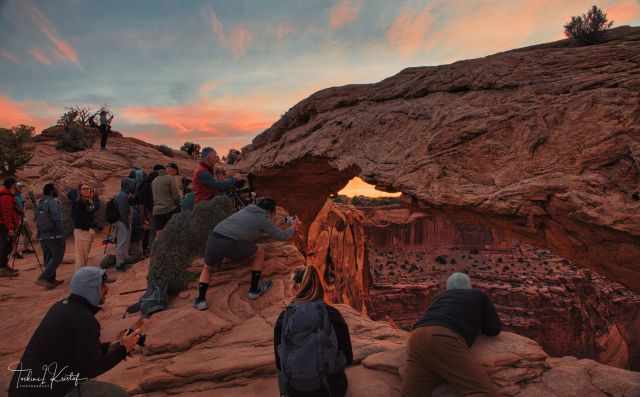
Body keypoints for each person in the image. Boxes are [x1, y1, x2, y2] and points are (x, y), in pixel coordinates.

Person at [7, 266, 143, 397]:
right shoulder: (83, 319)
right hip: (46, 391)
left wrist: (114, 346)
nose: (107, 289)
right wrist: (123, 349)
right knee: (117, 394)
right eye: (102, 286)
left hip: (24, 389)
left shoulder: (62, 307)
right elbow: (92, 368)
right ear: (91, 289)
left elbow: (80, 352)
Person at [401, 272, 502, 397]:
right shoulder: (478, 295)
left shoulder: (440, 297)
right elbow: (493, 329)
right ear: (469, 286)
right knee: (482, 392)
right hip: (444, 337)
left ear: (448, 288)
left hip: (416, 337)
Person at [193, 197, 300, 310]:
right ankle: (254, 290)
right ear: (271, 211)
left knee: (207, 268)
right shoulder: (263, 219)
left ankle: (200, 300)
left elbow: (249, 228)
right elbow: (281, 236)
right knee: (259, 252)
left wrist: (283, 221)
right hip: (232, 243)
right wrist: (294, 227)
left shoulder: (246, 210)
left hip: (215, 237)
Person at [274, 266, 353, 397]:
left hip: (295, 390)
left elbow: (279, 363)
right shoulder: (332, 315)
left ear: (295, 288)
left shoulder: (284, 317)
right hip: (328, 389)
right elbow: (348, 357)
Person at [35, 183, 65, 289]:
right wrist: (62, 232)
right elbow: (57, 217)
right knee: (58, 257)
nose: (57, 191)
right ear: (52, 191)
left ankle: (50, 280)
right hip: (54, 234)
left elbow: (37, 219)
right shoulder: (52, 202)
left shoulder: (40, 202)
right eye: (56, 189)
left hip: (43, 235)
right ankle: (43, 277)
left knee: (48, 257)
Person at [68, 183, 101, 271]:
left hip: (86, 231)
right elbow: (91, 209)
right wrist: (96, 199)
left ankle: (81, 277)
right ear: (80, 191)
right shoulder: (79, 202)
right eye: (84, 188)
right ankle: (79, 279)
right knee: (81, 258)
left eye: (89, 188)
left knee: (84, 257)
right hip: (81, 231)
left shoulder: (87, 201)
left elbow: (92, 210)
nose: (87, 190)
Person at [114, 178, 136, 271]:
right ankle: (119, 264)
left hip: (123, 221)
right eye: (132, 185)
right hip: (122, 222)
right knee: (122, 243)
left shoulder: (123, 195)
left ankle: (124, 259)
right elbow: (123, 211)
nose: (133, 187)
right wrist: (126, 223)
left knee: (124, 242)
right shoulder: (122, 196)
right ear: (127, 186)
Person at [151, 164, 181, 233]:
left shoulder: (154, 181)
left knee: (159, 233)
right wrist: (178, 203)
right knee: (171, 232)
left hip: (156, 210)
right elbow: (175, 196)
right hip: (169, 209)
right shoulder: (170, 178)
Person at [0, 177, 19, 277]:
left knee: (7, 246)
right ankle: (2, 268)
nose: (16, 186)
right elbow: (6, 214)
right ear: (12, 185)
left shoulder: (7, 195)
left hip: (4, 225)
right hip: (4, 225)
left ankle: (4, 266)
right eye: (15, 184)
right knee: (5, 246)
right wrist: (10, 228)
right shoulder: (5, 196)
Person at [12, 182, 35, 259]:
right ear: (16, 188)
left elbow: (24, 206)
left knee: (29, 233)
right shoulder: (14, 196)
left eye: (21, 187)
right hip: (17, 218)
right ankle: (15, 252)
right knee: (16, 235)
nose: (21, 188)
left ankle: (24, 249)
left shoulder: (19, 196)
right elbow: (17, 207)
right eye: (20, 187)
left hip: (22, 217)